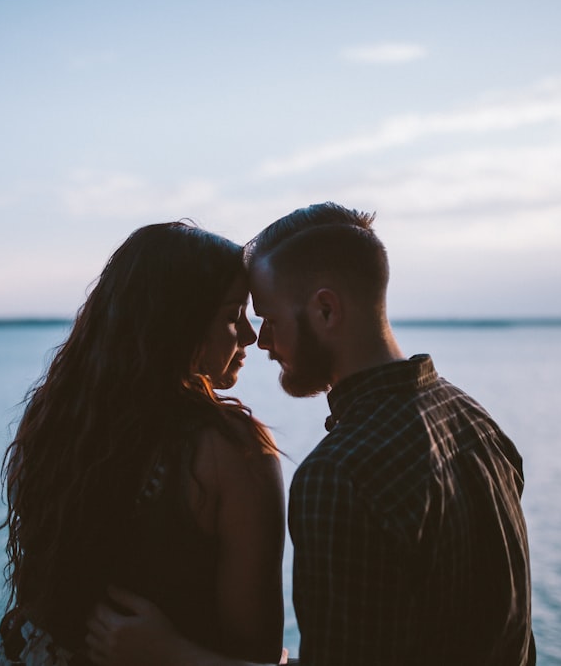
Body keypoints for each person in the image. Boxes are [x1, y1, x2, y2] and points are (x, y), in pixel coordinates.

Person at [86, 203, 535, 665]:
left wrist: (168, 654)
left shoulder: (342, 474)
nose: (260, 341)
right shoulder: (477, 424)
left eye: (270, 319)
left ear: (325, 309)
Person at [0, 222, 286, 666]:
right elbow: (259, 652)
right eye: (231, 314)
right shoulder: (233, 451)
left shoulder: (58, 421)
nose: (248, 336)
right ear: (177, 323)